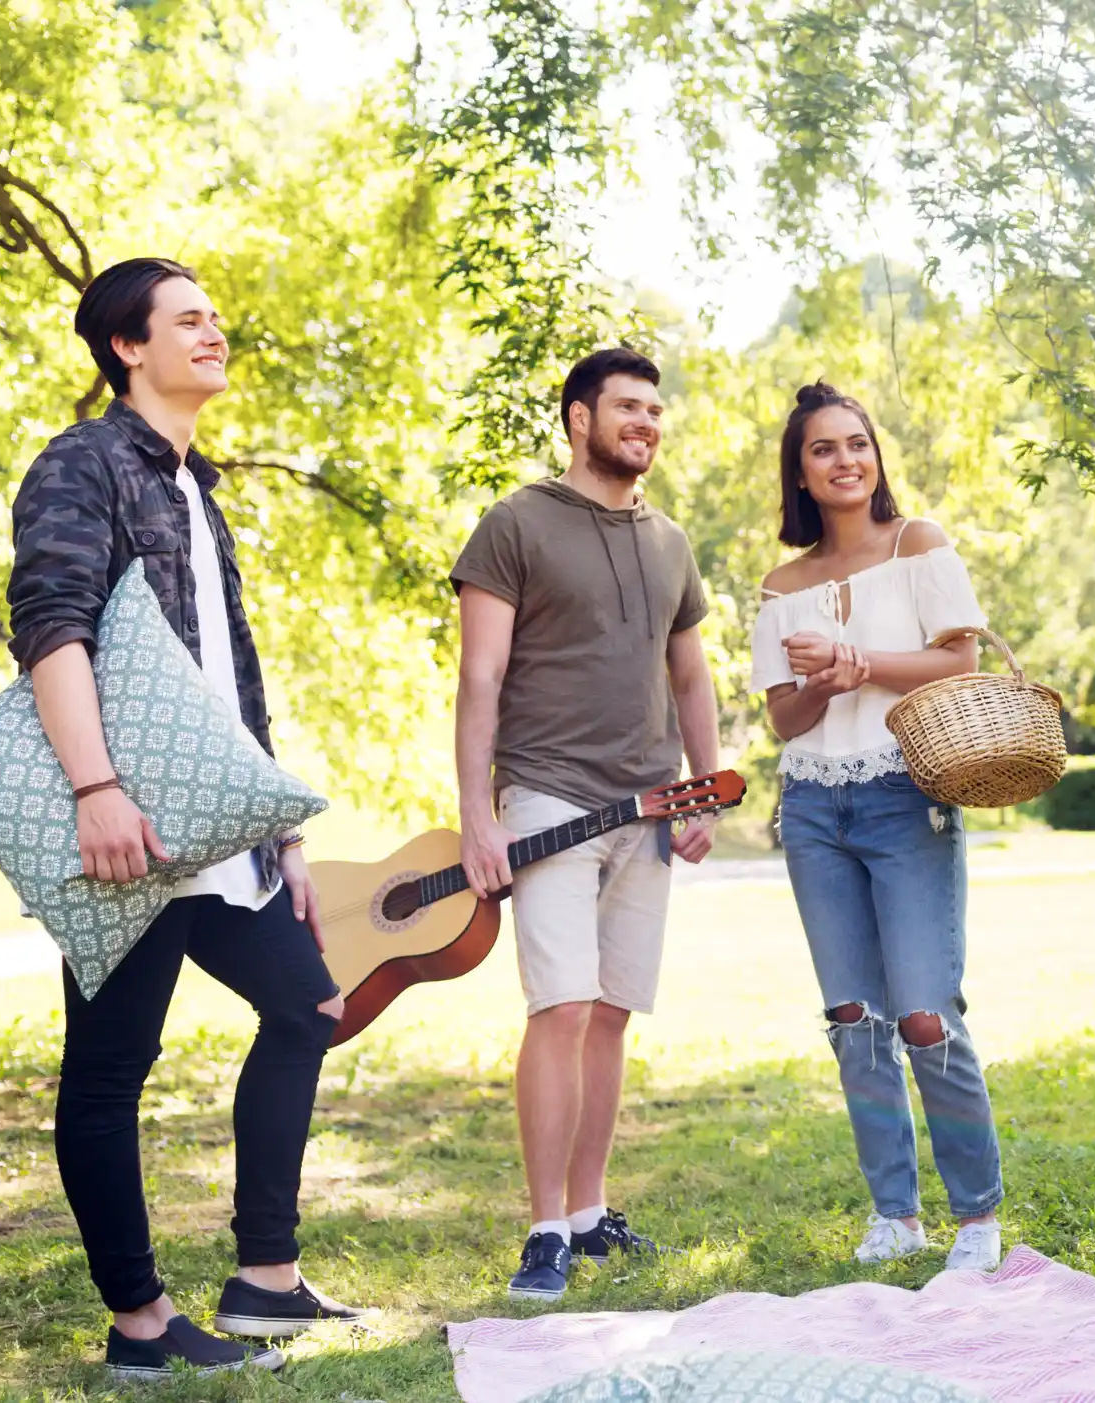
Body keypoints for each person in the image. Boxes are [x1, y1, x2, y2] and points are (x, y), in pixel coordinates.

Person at [7, 257, 375, 1381]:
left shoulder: (193, 486)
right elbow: (52, 627)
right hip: (128, 826)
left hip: (220, 828)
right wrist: (95, 790)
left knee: (309, 1005)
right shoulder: (81, 465)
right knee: (111, 1065)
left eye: (217, 318)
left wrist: (283, 834)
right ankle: (139, 1323)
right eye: (188, 320)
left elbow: (231, 681)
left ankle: (264, 1277)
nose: (214, 333)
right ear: (128, 345)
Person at [452, 347, 724, 1302]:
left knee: (610, 1013)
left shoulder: (671, 541)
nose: (645, 423)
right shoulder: (515, 523)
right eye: (627, 407)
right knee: (560, 1006)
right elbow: (480, 674)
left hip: (648, 804)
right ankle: (543, 1228)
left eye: (655, 410)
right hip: (548, 795)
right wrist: (477, 814)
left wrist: (702, 790)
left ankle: (587, 1212)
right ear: (579, 418)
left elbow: (689, 674)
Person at [752, 382, 1007, 1273]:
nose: (845, 460)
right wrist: (824, 685)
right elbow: (783, 719)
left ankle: (976, 1216)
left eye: (857, 443)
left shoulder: (918, 544)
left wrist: (856, 661)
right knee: (854, 1017)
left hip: (908, 794)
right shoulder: (782, 586)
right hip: (814, 808)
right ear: (801, 473)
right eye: (823, 449)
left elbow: (960, 659)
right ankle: (895, 1214)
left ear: (876, 456)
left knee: (927, 1013)